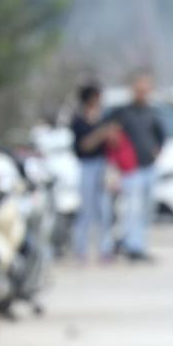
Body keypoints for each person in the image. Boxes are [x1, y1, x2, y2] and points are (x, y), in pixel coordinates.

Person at [109, 71, 164, 261]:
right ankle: (132, 246)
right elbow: (110, 133)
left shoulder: (152, 112)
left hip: (148, 166)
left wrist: (156, 152)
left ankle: (139, 243)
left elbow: (160, 136)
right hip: (130, 169)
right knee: (132, 209)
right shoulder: (123, 113)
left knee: (147, 209)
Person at [69, 83, 117, 262]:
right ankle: (80, 248)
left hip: (103, 164)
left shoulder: (104, 117)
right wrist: (101, 133)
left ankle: (105, 248)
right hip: (86, 166)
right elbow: (84, 145)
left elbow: (113, 142)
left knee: (104, 209)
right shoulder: (78, 120)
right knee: (86, 209)